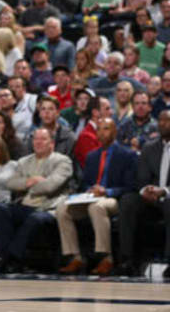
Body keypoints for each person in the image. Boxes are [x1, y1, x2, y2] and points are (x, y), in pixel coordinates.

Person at [57, 118, 135, 276]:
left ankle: (106, 258)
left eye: (106, 128)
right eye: (98, 129)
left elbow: (130, 187)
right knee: (62, 209)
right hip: (91, 197)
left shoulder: (127, 155)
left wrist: (106, 191)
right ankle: (76, 257)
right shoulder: (92, 156)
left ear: (114, 132)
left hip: (113, 199)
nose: (101, 132)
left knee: (97, 207)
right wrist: (89, 190)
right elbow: (84, 183)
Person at [0, 127, 73, 273]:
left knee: (35, 219)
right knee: (0, 209)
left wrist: (28, 186)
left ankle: (9, 258)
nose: (38, 142)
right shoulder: (23, 161)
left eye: (43, 139)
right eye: (36, 139)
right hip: (26, 204)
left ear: (51, 143)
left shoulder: (62, 161)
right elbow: (10, 183)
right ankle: (8, 257)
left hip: (48, 207)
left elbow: (51, 186)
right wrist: (31, 181)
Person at [117, 110, 170, 277]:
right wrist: (145, 190)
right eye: (161, 120)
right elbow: (141, 178)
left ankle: (169, 260)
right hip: (151, 198)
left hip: (168, 197)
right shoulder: (149, 147)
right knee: (127, 201)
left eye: (167, 120)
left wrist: (164, 191)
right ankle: (127, 260)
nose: (163, 124)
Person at [74, 96, 113, 169]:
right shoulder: (86, 137)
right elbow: (95, 166)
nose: (111, 112)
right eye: (107, 109)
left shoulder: (107, 132)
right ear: (95, 112)